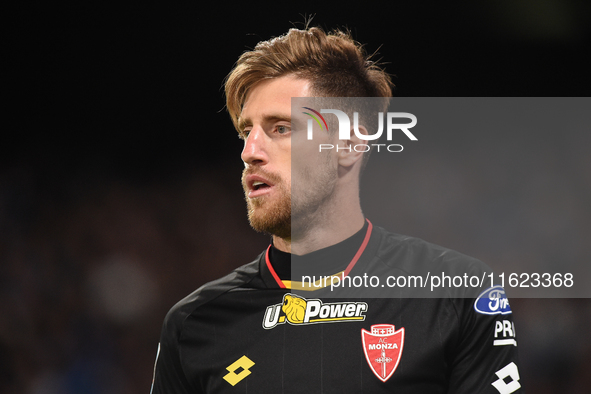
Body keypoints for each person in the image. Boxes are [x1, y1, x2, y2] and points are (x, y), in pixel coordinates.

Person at [151, 26, 522, 393]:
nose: (250, 151)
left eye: (280, 128)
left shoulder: (454, 294)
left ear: (348, 145)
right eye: (246, 132)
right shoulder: (193, 324)